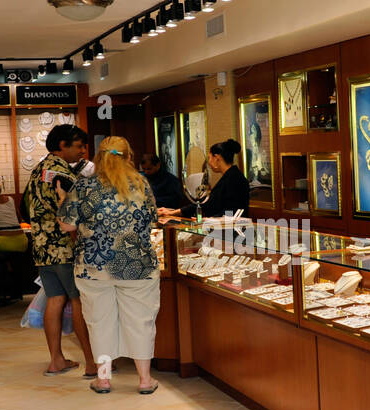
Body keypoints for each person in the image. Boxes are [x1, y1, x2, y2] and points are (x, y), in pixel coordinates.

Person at [58, 136, 161, 394]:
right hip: (138, 264)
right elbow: (152, 220)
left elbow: (66, 225)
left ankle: (103, 379)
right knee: (141, 320)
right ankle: (145, 380)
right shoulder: (142, 183)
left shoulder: (84, 185)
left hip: (94, 265)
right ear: (129, 156)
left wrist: (62, 199)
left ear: (98, 157)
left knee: (99, 321)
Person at [21, 123, 96, 376]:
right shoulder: (63, 174)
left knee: (55, 299)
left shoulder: (38, 170)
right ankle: (92, 363)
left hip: (42, 247)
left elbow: (25, 207)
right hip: (66, 247)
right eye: (78, 145)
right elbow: (74, 214)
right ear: (62, 145)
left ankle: (56, 360)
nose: (83, 151)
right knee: (78, 301)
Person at [160, 139, 248, 219]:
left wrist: (209, 220)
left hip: (232, 233)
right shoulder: (229, 176)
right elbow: (207, 204)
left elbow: (232, 211)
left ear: (217, 158)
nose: (209, 163)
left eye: (209, 158)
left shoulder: (235, 179)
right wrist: (173, 212)